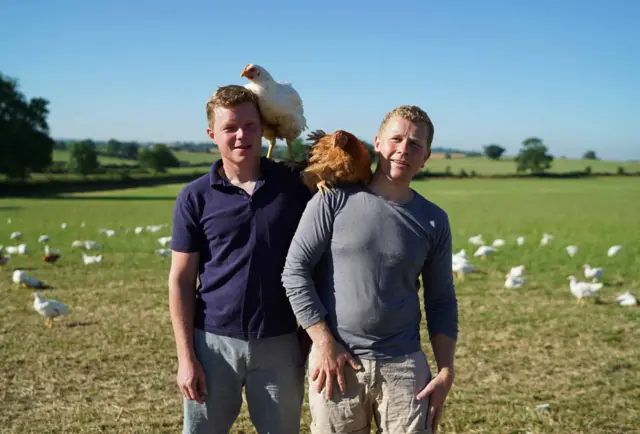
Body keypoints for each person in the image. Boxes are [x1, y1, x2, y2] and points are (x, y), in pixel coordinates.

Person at [282, 105, 458, 433]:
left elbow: (441, 300)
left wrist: (446, 370)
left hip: (405, 369)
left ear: (427, 156)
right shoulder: (332, 200)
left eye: (415, 144)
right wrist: (322, 342)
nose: (404, 149)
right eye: (396, 139)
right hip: (336, 364)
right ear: (377, 143)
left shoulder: (433, 220)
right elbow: (295, 270)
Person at [168, 84, 312, 434]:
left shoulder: (296, 185)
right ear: (212, 135)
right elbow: (181, 280)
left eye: (249, 125)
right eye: (230, 128)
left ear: (263, 127)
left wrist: (310, 341)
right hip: (213, 344)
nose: (241, 135)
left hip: (281, 342)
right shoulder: (195, 197)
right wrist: (187, 358)